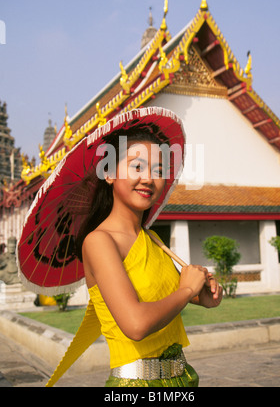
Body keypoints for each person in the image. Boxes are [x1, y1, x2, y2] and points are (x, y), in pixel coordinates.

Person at [26, 107, 222, 387]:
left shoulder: (153, 240)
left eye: (158, 170)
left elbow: (167, 295)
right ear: (109, 173)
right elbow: (136, 324)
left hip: (181, 380)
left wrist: (203, 293)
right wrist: (186, 290)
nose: (149, 178)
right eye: (137, 166)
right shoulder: (99, 242)